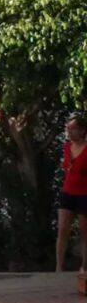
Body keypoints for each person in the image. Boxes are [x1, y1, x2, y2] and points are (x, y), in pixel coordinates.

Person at [56, 116, 87, 272]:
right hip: (67, 191)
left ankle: (84, 266)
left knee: (84, 231)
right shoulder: (67, 147)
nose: (69, 132)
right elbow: (66, 166)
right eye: (68, 128)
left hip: (84, 194)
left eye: (72, 128)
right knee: (62, 229)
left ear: (82, 131)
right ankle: (58, 267)